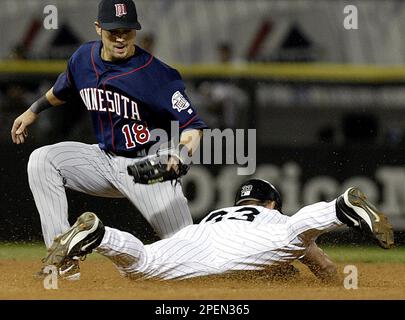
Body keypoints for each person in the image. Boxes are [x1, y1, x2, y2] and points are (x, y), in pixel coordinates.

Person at [10, 0, 207, 280]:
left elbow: (193, 126)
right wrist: (33, 110)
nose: (120, 37)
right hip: (104, 160)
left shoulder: (156, 75)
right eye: (113, 30)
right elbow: (62, 89)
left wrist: (180, 155)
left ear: (135, 31)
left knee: (192, 261)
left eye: (127, 30)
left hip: (147, 169)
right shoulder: (83, 58)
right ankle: (64, 258)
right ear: (98, 28)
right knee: (42, 160)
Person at [43, 179, 394, 283]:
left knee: (143, 264)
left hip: (196, 237)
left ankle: (101, 235)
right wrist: (332, 284)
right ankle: (340, 207)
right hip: (254, 240)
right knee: (294, 235)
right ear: (270, 203)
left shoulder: (222, 212)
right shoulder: (271, 217)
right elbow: (325, 268)